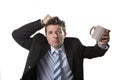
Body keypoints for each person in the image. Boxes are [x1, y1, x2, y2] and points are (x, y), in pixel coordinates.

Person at [12, 15, 110, 80]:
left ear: (65, 34)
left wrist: (101, 43)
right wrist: (41, 23)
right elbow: (17, 35)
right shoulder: (38, 44)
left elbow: (96, 52)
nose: (55, 36)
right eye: (50, 32)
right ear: (46, 36)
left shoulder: (74, 45)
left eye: (59, 32)